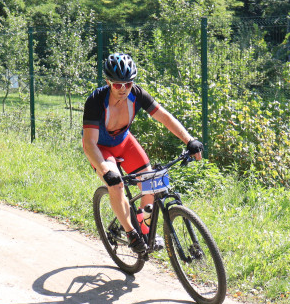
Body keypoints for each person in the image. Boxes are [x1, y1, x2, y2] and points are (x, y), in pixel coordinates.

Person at [82, 53, 204, 255]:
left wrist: (189, 140)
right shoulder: (96, 101)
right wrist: (105, 169)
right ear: (108, 82)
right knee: (116, 184)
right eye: (117, 85)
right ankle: (130, 233)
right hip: (101, 148)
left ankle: (145, 232)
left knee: (151, 183)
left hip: (123, 142)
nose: (123, 89)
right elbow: (89, 143)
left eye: (127, 84)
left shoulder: (137, 94)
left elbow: (164, 117)